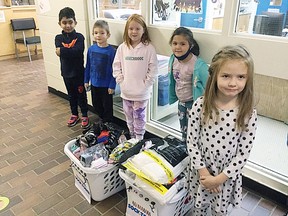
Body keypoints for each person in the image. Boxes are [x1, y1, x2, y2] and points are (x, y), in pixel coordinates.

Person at [186, 45, 258, 215]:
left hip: (225, 177)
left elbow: (243, 154)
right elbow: (191, 141)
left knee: (220, 211)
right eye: (226, 76)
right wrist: (204, 174)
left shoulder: (248, 112)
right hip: (201, 171)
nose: (233, 83)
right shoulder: (201, 105)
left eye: (241, 77)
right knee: (199, 208)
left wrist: (218, 179)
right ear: (215, 76)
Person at [113, 14, 158, 140]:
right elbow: (116, 66)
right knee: (129, 117)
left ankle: (139, 139)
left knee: (139, 117)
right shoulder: (122, 48)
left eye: (137, 28)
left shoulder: (148, 48)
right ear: (127, 30)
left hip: (141, 93)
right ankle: (132, 138)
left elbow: (153, 69)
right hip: (126, 92)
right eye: (131, 28)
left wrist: (147, 84)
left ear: (143, 30)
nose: (134, 31)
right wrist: (121, 81)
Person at [168, 27, 209, 141]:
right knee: (184, 130)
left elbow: (208, 86)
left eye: (182, 44)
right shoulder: (173, 59)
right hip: (181, 103)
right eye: (175, 43)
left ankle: (194, 153)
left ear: (190, 45)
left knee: (194, 132)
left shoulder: (198, 65)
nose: (177, 47)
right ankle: (186, 149)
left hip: (193, 104)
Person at [55, 7, 90, 129]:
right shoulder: (58, 38)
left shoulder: (79, 37)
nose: (68, 25)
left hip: (79, 73)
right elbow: (59, 52)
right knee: (71, 95)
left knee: (81, 95)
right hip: (66, 73)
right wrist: (69, 51)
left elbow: (78, 51)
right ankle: (74, 114)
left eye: (70, 22)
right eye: (64, 22)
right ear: (60, 23)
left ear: (75, 22)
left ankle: (85, 114)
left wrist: (64, 51)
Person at [84, 20, 116, 123]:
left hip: (106, 86)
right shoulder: (91, 49)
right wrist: (86, 80)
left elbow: (115, 70)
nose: (99, 35)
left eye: (102, 33)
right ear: (93, 34)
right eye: (96, 33)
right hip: (94, 84)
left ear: (108, 35)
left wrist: (112, 85)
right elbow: (88, 65)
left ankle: (108, 124)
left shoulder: (111, 52)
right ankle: (103, 120)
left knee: (107, 107)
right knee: (96, 104)